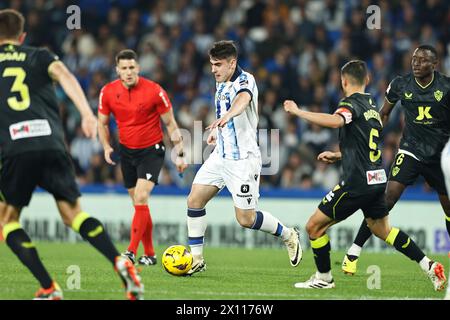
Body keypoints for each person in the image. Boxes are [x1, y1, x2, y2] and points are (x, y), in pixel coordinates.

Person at [0, 9, 143, 300]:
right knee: (73, 214)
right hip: (52, 143)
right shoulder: (39, 55)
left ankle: (49, 287)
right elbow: (64, 73)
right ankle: (118, 261)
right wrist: (88, 115)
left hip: (16, 148)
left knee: (7, 220)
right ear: (22, 36)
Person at [283, 60, 446, 290]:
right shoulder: (371, 104)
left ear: (343, 81)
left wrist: (298, 111)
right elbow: (366, 146)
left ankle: (324, 278)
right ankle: (428, 265)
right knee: (383, 230)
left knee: (313, 227)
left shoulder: (349, 104)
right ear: (367, 80)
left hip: (356, 183)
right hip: (377, 179)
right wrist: (339, 155)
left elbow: (336, 120)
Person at [186, 40, 301, 275]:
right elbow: (226, 113)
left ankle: (289, 234)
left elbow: (242, 101)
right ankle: (197, 259)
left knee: (246, 220)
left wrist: (227, 116)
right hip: (221, 155)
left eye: (218, 65)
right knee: (194, 200)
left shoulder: (246, 80)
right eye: (211, 65)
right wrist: (218, 132)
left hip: (243, 161)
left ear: (232, 63)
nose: (213, 70)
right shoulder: (220, 82)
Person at [342, 45, 450, 275]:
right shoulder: (401, 84)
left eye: (422, 60)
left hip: (440, 155)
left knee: (448, 208)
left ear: (435, 64)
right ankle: (353, 251)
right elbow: (383, 114)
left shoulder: (446, 87)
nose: (416, 63)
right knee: (386, 199)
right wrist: (370, 141)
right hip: (410, 150)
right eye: (414, 59)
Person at [98, 49, 187, 266]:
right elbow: (101, 122)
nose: (128, 72)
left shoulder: (154, 91)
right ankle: (150, 254)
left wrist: (180, 153)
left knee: (140, 198)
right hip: (127, 152)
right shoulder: (108, 92)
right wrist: (106, 146)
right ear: (117, 70)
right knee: (140, 205)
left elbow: (170, 124)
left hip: (151, 151)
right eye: (124, 68)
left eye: (131, 68)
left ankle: (129, 251)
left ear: (138, 68)